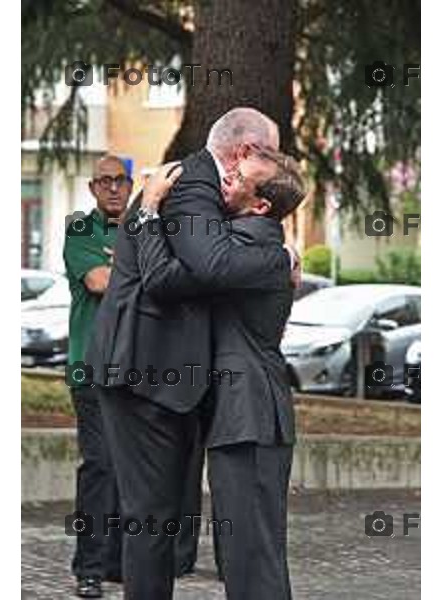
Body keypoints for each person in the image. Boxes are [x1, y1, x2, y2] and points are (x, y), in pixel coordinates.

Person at [86, 107, 295, 599]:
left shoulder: (235, 212)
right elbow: (202, 267)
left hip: (179, 383)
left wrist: (272, 256)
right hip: (141, 374)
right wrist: (146, 215)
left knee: (172, 519)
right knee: (152, 516)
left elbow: (215, 269)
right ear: (246, 151)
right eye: (267, 152)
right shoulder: (189, 186)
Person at [134, 147, 306, 599]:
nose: (225, 177)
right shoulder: (256, 244)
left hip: (250, 413)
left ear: (262, 205)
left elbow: (177, 273)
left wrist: (150, 210)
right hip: (241, 415)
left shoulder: (257, 252)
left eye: (239, 176)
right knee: (245, 552)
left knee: (252, 556)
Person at [63, 155, 131, 598]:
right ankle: (88, 567)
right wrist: (133, 265)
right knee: (101, 468)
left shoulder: (144, 228)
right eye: (103, 182)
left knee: (130, 472)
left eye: (119, 181)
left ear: (129, 186)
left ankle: (119, 564)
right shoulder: (81, 229)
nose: (112, 188)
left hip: (135, 371)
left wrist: (123, 262)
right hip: (90, 369)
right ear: (92, 189)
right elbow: (99, 281)